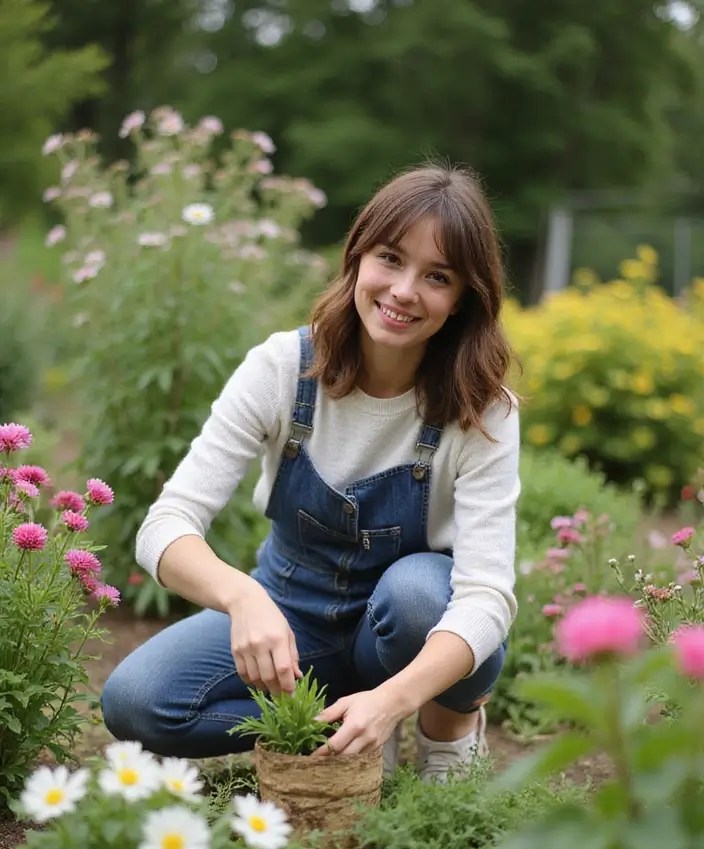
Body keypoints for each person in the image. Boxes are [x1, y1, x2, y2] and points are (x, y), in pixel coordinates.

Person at [101, 162, 520, 783]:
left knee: (417, 596)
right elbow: (165, 525)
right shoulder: (282, 368)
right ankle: (328, 723)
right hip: (291, 616)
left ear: (463, 300)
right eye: (390, 258)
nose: (404, 290)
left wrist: (394, 698)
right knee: (136, 701)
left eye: (438, 276)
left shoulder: (480, 409)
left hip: (408, 627)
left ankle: (447, 730)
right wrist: (243, 598)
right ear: (357, 257)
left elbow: (486, 598)